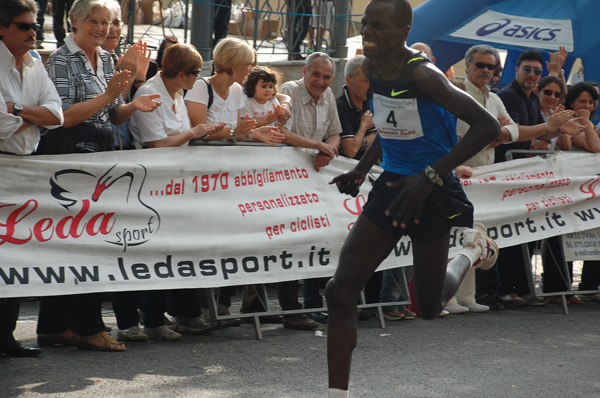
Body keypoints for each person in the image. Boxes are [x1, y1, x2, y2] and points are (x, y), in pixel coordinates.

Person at [323, 1, 501, 396]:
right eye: (365, 23)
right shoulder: (369, 67)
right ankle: (337, 393)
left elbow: (486, 126)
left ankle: (472, 249)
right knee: (339, 290)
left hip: (432, 191)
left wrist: (430, 176)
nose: (367, 32)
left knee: (429, 308)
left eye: (379, 26)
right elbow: (390, 124)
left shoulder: (425, 75)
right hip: (391, 187)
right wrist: (362, 167)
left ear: (404, 30)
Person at [36, 0, 161, 352]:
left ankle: (53, 327)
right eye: (94, 21)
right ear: (74, 21)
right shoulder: (62, 59)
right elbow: (63, 116)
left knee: (83, 242)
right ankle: (89, 327)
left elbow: (110, 115)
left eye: (108, 22)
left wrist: (131, 104)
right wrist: (109, 94)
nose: (102, 28)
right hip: (73, 158)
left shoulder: (106, 58)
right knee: (84, 243)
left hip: (102, 157)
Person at [0, 0, 64, 357]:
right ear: (3, 28)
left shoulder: (36, 63)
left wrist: (18, 110)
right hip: (2, 162)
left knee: (18, 252)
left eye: (35, 26)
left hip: (26, 164)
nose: (32, 33)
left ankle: (6, 336)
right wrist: (30, 116)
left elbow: (57, 115)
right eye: (24, 26)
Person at [495, 49, 583, 307]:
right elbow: (519, 134)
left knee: (521, 235)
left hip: (523, 176)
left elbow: (539, 135)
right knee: (507, 234)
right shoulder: (508, 96)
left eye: (536, 71)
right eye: (527, 70)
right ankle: (505, 289)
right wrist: (549, 129)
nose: (532, 75)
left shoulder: (531, 98)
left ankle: (521, 289)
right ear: (516, 70)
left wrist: (556, 130)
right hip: (504, 175)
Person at [449, 44, 521, 313]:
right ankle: (448, 297)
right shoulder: (457, 93)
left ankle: (468, 297)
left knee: (476, 233)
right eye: (480, 65)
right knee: (457, 233)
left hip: (484, 173)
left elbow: (512, 129)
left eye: (491, 67)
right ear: (467, 66)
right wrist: (495, 135)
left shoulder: (494, 98)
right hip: (460, 170)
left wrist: (494, 136)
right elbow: (467, 134)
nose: (486, 71)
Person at [186, 37, 284, 145]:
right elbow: (200, 133)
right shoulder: (201, 87)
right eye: (248, 64)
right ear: (233, 67)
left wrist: (255, 133)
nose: (251, 70)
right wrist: (235, 132)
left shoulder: (236, 90)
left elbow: (236, 135)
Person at [279, 51, 341, 171]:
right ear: (304, 71)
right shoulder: (289, 90)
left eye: (326, 77)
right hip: (285, 169)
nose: (320, 82)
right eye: (316, 75)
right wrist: (318, 145)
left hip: (312, 170)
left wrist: (327, 151)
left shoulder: (328, 94)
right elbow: (282, 134)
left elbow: (334, 134)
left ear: (332, 78)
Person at [336, 54, 376, 160]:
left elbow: (379, 136)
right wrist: (364, 126)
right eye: (365, 81)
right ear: (349, 80)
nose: (370, 86)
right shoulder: (339, 106)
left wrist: (360, 141)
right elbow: (351, 150)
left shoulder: (370, 101)